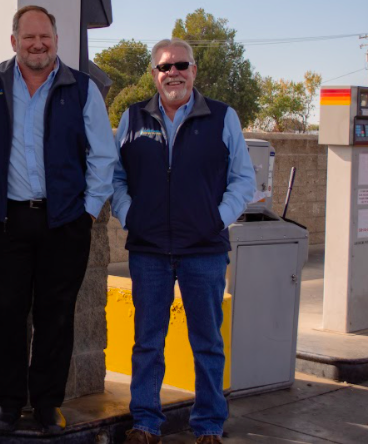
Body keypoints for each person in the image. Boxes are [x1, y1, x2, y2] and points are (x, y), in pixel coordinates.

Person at [0, 5, 116, 433]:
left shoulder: (81, 88)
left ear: (56, 41)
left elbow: (103, 154)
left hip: (65, 223)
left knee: (55, 315)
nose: (37, 44)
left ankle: (46, 403)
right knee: (6, 313)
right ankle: (8, 402)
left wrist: (87, 211)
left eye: (44, 37)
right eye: (28, 38)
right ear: (14, 42)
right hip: (6, 222)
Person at [112, 38, 255, 444]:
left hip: (204, 252)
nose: (172, 72)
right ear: (154, 74)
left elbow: (243, 180)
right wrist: (129, 215)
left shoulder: (223, 117)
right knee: (147, 344)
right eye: (163, 67)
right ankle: (145, 423)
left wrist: (217, 218)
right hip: (149, 251)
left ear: (194, 70)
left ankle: (209, 425)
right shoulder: (133, 117)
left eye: (180, 65)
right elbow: (116, 178)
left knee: (207, 344)